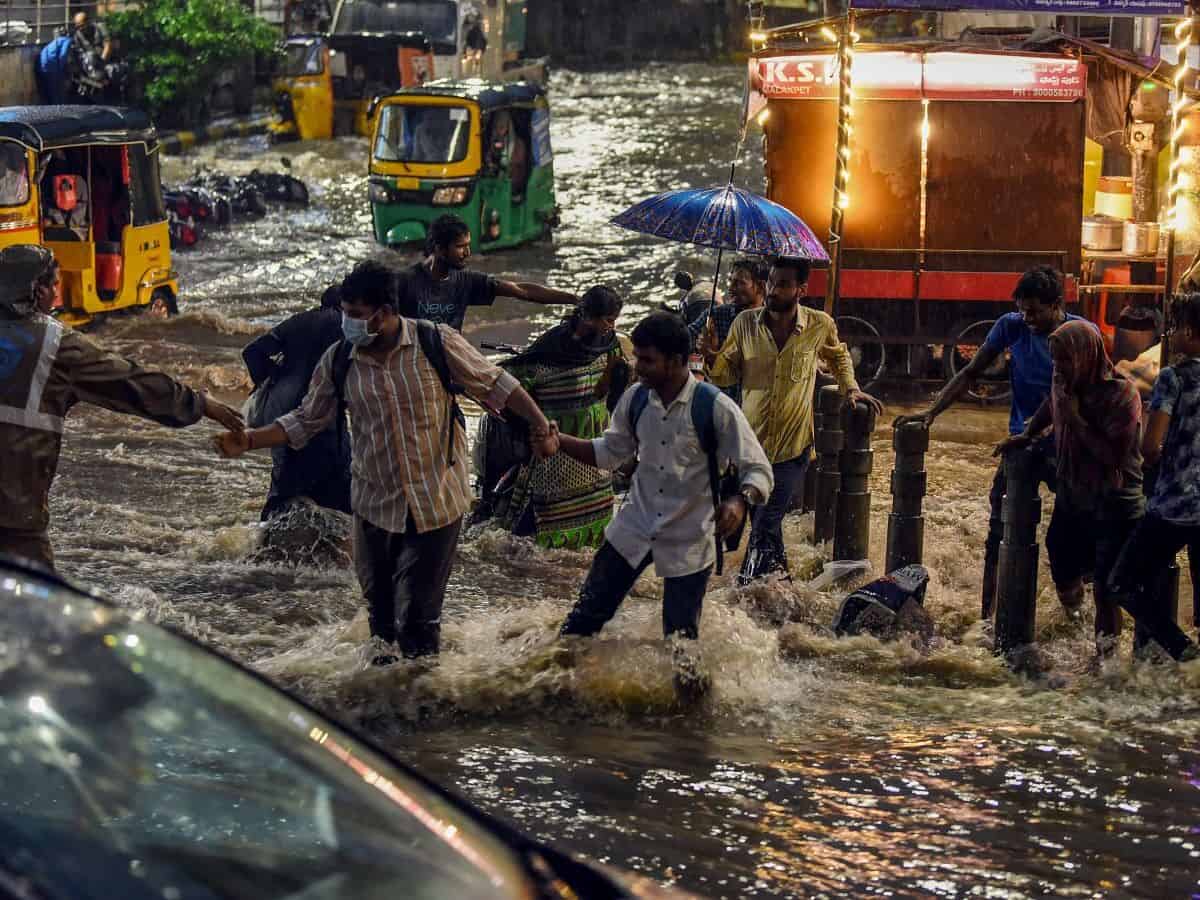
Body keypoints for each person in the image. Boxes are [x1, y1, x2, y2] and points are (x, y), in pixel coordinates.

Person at [213, 258, 555, 664]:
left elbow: (497, 384)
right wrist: (249, 440)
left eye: (356, 315)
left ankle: (421, 703)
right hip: (375, 505)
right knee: (380, 623)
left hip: (438, 502)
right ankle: (384, 700)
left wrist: (540, 425)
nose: (347, 323)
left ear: (386, 313)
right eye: (346, 314)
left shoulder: (436, 343)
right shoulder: (340, 359)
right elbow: (306, 420)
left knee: (420, 622)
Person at [0, 244, 243, 571]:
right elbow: (129, 382)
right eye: (54, 285)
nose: (57, 294)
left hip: (14, 508)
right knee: (39, 610)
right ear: (37, 290)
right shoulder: (54, 344)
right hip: (13, 513)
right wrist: (199, 403)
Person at [546, 311, 773, 648]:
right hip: (633, 529)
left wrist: (740, 501)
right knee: (582, 622)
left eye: (647, 360)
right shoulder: (636, 400)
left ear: (676, 361)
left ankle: (693, 700)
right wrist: (558, 441)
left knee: (681, 645)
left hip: (689, 539)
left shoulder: (714, 408)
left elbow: (758, 469)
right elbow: (608, 452)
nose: (637, 367)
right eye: (637, 357)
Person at [897, 265, 1088, 617]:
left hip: (1070, 447)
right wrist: (931, 413)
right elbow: (971, 371)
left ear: (1057, 304)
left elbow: (1078, 394)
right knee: (998, 532)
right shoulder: (1011, 326)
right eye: (1022, 309)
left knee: (1072, 537)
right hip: (1020, 445)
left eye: (1035, 311)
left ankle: (1075, 610)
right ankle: (990, 617)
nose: (1027, 318)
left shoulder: (1078, 334)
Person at [707, 256, 882, 582]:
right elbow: (723, 376)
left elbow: (839, 356)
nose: (773, 289)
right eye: (771, 282)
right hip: (750, 448)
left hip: (793, 449)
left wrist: (851, 389)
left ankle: (743, 596)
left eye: (783, 284)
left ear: (801, 289)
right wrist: (711, 355)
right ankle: (783, 587)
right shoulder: (744, 324)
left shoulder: (819, 325)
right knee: (766, 525)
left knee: (764, 523)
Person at [997, 320, 1145, 658]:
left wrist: (1077, 419)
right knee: (1062, 562)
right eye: (1055, 360)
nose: (1058, 367)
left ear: (1085, 356)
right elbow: (1051, 405)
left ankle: (1105, 662)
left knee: (1107, 590)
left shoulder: (1122, 395)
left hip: (1113, 500)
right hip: (1073, 493)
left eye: (1064, 359)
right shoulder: (1063, 382)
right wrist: (1028, 434)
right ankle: (1076, 622)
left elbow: (1115, 459)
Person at [495, 286, 630, 548]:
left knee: (590, 541)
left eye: (615, 321)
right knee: (528, 541)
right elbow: (507, 386)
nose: (612, 327)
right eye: (609, 320)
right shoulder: (550, 349)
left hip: (593, 452)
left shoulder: (610, 346)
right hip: (554, 453)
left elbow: (614, 388)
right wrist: (534, 427)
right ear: (588, 317)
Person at [1107, 293, 1200, 662]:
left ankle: (1180, 649)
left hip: (1174, 506)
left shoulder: (1172, 378)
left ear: (1189, 331)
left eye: (1175, 327)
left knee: (1122, 583)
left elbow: (1150, 445)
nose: (1172, 334)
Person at [242, 284, 351, 521]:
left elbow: (252, 352)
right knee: (342, 500)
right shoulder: (345, 326)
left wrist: (275, 375)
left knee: (281, 498)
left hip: (283, 418)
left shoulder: (298, 322)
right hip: (324, 420)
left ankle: (262, 549)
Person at [394, 215, 577, 331]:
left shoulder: (466, 281)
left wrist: (574, 299)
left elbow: (522, 291)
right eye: (460, 247)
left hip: (450, 360)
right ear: (440, 249)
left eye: (468, 246)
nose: (468, 253)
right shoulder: (405, 281)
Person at [689, 256, 768, 401]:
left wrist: (712, 354)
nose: (731, 288)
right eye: (731, 281)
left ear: (761, 287)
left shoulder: (771, 323)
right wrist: (701, 345)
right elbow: (684, 338)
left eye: (740, 283)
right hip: (720, 403)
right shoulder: (717, 315)